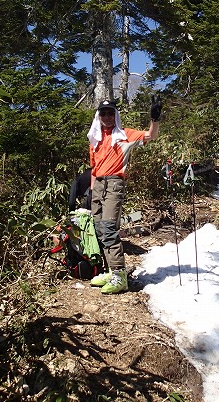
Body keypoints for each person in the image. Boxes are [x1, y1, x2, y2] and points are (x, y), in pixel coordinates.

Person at [86, 96, 162, 294]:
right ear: (99, 116)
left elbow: (151, 136)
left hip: (114, 184)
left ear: (115, 115)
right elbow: (94, 168)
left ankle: (120, 276)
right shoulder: (95, 138)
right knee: (99, 229)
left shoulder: (124, 135)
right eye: (104, 113)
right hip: (98, 185)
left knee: (109, 228)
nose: (107, 117)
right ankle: (111, 271)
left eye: (111, 113)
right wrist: (91, 190)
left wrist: (154, 118)